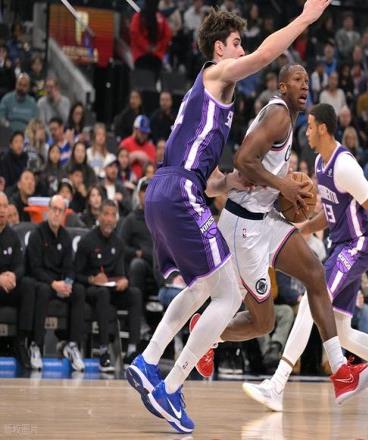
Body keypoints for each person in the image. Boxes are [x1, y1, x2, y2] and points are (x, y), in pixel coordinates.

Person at [125, 2, 332, 434]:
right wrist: (306, 18)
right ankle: (170, 385)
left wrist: (239, 181)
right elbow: (264, 56)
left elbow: (213, 182)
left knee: (204, 287)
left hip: (169, 188)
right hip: (179, 191)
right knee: (229, 297)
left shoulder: (211, 99)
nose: (243, 49)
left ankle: (148, 361)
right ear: (219, 49)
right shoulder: (217, 73)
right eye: (237, 43)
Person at [198, 65, 368, 396]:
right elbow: (242, 160)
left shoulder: (287, 120)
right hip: (243, 227)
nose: (304, 85)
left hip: (264, 218)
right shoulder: (279, 115)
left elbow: (261, 170)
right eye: (297, 80)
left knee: (314, 273)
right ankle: (207, 334)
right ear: (282, 86)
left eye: (307, 81)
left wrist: (282, 188)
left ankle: (341, 371)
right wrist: (283, 184)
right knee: (263, 322)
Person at [242, 103, 368, 413]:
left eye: (310, 126)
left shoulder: (344, 165)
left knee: (311, 303)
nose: (307, 132)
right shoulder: (320, 164)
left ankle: (277, 385)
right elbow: (331, 213)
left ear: (323, 128)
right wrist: (305, 227)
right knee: (343, 333)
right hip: (340, 246)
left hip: (356, 246)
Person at [75, 200, 143, 372]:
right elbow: (75, 275)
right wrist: (92, 279)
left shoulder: (118, 243)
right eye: (106, 214)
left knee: (135, 294)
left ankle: (132, 351)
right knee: (102, 294)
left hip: (113, 289)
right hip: (92, 290)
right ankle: (103, 351)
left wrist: (125, 281)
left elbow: (122, 273)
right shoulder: (87, 241)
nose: (109, 219)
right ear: (99, 216)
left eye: (113, 215)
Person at [26, 195, 86, 372]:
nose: (57, 213)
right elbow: (34, 268)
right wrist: (53, 283)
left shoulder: (65, 236)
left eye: (61, 210)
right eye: (54, 209)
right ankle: (35, 345)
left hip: (60, 284)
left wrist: (67, 283)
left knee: (78, 290)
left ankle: (72, 345)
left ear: (64, 214)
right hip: (42, 282)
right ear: (48, 211)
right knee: (43, 290)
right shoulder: (37, 234)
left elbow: (70, 267)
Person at [0, 192, 36, 369]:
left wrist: (13, 275)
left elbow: (20, 265)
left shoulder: (13, 236)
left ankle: (21, 342)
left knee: (28, 285)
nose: (2, 210)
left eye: (4, 206)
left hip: (10, 286)